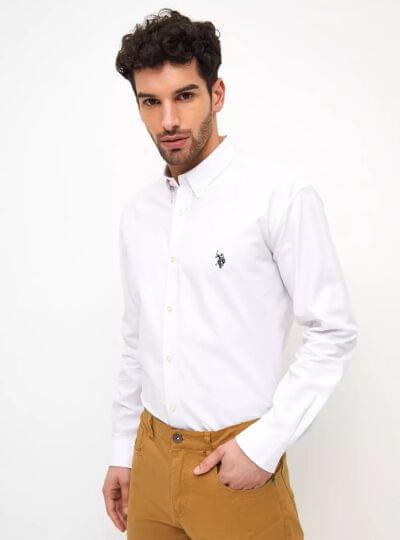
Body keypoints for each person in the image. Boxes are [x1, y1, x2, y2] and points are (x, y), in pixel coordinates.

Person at [102, 8, 358, 539]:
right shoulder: (139, 215)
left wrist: (263, 445)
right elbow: (137, 340)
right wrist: (122, 450)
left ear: (216, 94)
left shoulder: (278, 198)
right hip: (150, 455)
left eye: (185, 96)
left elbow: (333, 331)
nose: (168, 120)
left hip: (233, 463)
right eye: (150, 102)